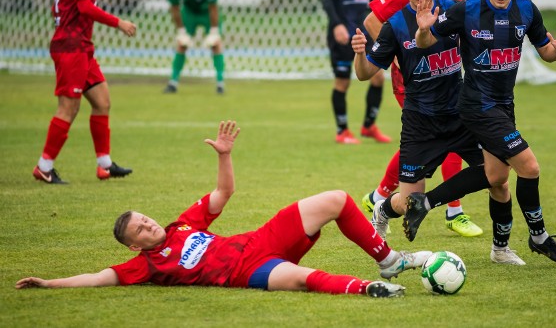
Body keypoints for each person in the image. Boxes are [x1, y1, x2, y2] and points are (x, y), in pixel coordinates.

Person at [17, 120, 432, 298]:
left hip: (258, 241)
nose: (147, 227)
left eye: (144, 219)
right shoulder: (146, 267)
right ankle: (369, 288)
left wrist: (224, 154)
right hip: (245, 273)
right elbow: (97, 278)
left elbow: (223, 192)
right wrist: (50, 284)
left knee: (336, 199)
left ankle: (389, 261)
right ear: (134, 247)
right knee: (303, 279)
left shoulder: (181, 225)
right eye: (140, 232)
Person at [405, 0, 556, 264]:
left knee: (496, 177)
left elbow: (546, 53)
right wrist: (423, 29)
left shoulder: (526, 10)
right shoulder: (468, 10)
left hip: (504, 105)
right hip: (476, 105)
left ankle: (428, 204)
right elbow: (425, 42)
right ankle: (539, 237)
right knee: (530, 167)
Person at [352, 0, 505, 261]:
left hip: (461, 115)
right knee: (407, 202)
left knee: (498, 174)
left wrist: (479, 0)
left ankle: (501, 249)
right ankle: (383, 208)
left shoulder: (451, 11)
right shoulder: (395, 26)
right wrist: (360, 53)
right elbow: (364, 73)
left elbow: (491, 22)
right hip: (420, 123)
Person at [32, 0, 136, 185]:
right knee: (69, 108)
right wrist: (118, 22)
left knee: (102, 101)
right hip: (71, 48)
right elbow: (84, 7)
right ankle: (44, 167)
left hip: (81, 47)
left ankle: (105, 165)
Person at [321, 0, 390, 144]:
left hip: (365, 32)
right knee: (342, 82)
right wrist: (336, 25)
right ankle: (342, 131)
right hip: (342, 33)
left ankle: (369, 126)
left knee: (378, 77)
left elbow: (374, 2)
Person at [163, 0, 225, 95]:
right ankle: (173, 83)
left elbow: (213, 8)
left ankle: (220, 84)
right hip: (190, 14)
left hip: (206, 14)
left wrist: (214, 31)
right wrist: (181, 31)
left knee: (216, 44)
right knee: (182, 44)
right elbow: (175, 10)